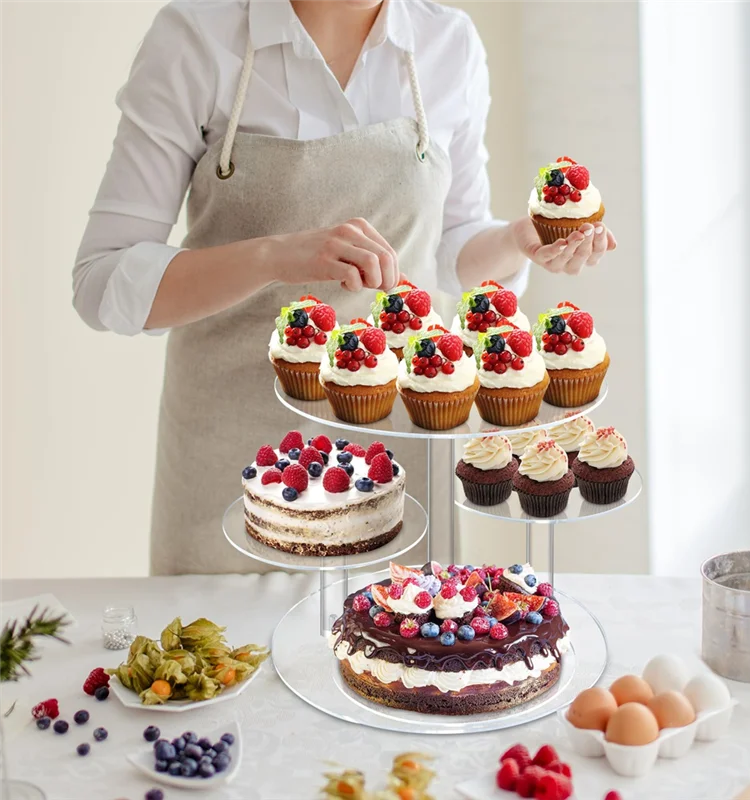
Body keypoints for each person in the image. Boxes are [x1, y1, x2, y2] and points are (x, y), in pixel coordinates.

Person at [73, 0, 616, 575]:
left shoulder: (446, 43)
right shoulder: (197, 37)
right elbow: (102, 279)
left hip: (391, 451)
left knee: (398, 654)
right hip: (230, 451)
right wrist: (274, 255)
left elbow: (444, 248)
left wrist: (515, 239)